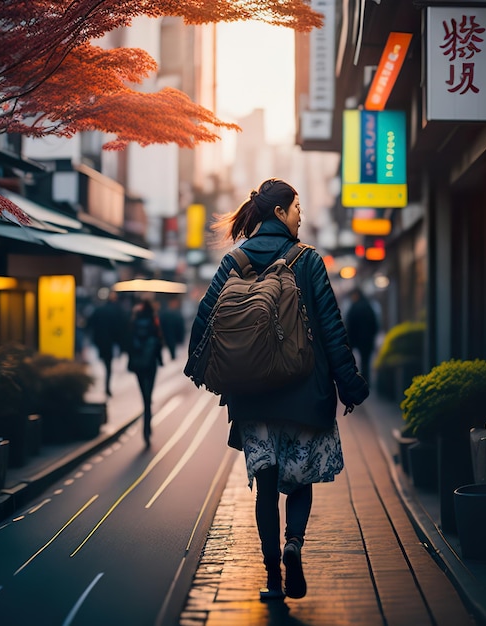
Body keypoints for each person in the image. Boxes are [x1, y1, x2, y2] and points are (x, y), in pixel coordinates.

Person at [187, 178, 369, 601]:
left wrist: (203, 371)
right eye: (296, 207)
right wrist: (351, 387)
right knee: (300, 480)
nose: (301, 215)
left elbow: (203, 322)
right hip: (305, 392)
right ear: (280, 213)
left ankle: (271, 579)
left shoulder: (233, 260)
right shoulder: (308, 260)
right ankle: (294, 544)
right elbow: (330, 329)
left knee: (265, 488)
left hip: (252, 398)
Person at [127, 299, 164, 447]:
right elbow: (159, 340)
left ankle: (146, 405)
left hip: (138, 364)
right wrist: (160, 359)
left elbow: (128, 341)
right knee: (149, 394)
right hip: (151, 363)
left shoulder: (134, 320)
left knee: (144, 394)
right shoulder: (153, 319)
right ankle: (147, 427)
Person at [87, 290, 128, 397]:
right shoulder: (118, 310)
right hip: (112, 342)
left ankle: (105, 385)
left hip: (100, 342)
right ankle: (107, 385)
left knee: (105, 363)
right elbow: (122, 328)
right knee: (108, 365)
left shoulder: (99, 310)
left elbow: (89, 324)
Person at [345, 287, 379, 384]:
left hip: (354, 339)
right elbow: (374, 324)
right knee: (365, 362)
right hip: (367, 339)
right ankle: (366, 381)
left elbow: (350, 324)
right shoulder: (368, 306)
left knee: (350, 361)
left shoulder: (354, 307)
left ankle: (352, 380)